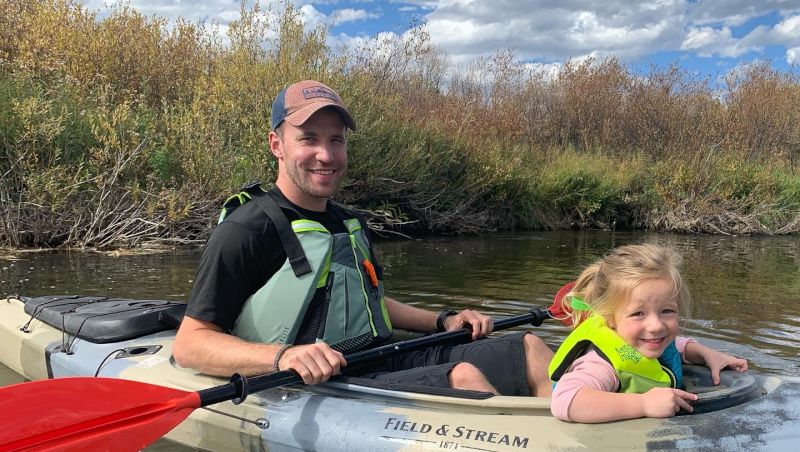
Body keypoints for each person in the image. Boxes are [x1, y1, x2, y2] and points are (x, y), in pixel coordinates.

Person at [173, 79, 554, 396]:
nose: (326, 154)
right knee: (464, 380)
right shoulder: (245, 229)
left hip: (373, 357)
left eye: (336, 140)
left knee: (528, 349)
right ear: (277, 145)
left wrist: (444, 321)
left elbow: (369, 302)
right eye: (309, 139)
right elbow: (190, 343)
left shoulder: (348, 222)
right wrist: (282, 357)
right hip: (311, 380)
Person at [548, 243, 748, 423]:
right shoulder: (602, 365)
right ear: (609, 318)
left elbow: (674, 345)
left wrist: (706, 353)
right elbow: (566, 399)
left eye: (667, 311)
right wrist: (643, 404)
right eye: (638, 314)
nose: (656, 326)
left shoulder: (649, 339)